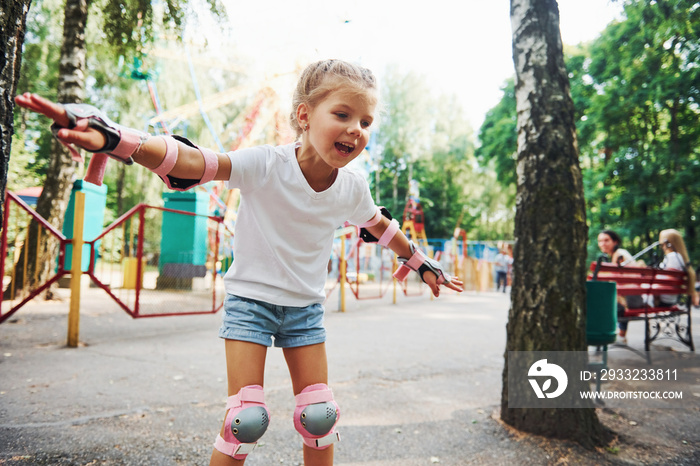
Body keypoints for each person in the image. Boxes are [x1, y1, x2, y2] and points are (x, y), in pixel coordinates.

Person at [15, 59, 464, 466]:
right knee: (246, 419)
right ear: (305, 116)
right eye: (342, 115)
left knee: (320, 417)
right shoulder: (265, 164)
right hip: (251, 303)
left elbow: (382, 227)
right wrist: (116, 138)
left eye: (365, 121)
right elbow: (194, 161)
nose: (355, 130)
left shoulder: (352, 187)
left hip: (305, 311)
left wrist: (423, 263)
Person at [596, 230, 640, 344]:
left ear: (615, 242)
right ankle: (621, 335)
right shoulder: (621, 253)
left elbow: (615, 282)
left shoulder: (619, 256)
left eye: (606, 240)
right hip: (634, 298)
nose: (602, 244)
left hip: (631, 300)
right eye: (600, 241)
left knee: (599, 305)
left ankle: (603, 337)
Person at [656, 229, 699, 308]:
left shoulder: (672, 257)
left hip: (663, 299)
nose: (661, 246)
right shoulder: (681, 258)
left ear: (667, 243)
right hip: (671, 299)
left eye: (662, 244)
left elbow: (668, 282)